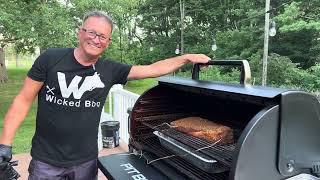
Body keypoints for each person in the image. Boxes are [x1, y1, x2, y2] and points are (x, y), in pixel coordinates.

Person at [0, 11, 210, 180]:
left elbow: (152, 69)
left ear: (108, 42)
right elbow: (23, 100)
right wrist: (5, 145)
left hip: (86, 161)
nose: (96, 39)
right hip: (46, 161)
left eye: (102, 36)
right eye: (91, 32)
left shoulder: (110, 69)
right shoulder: (50, 59)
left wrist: (186, 58)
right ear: (80, 32)